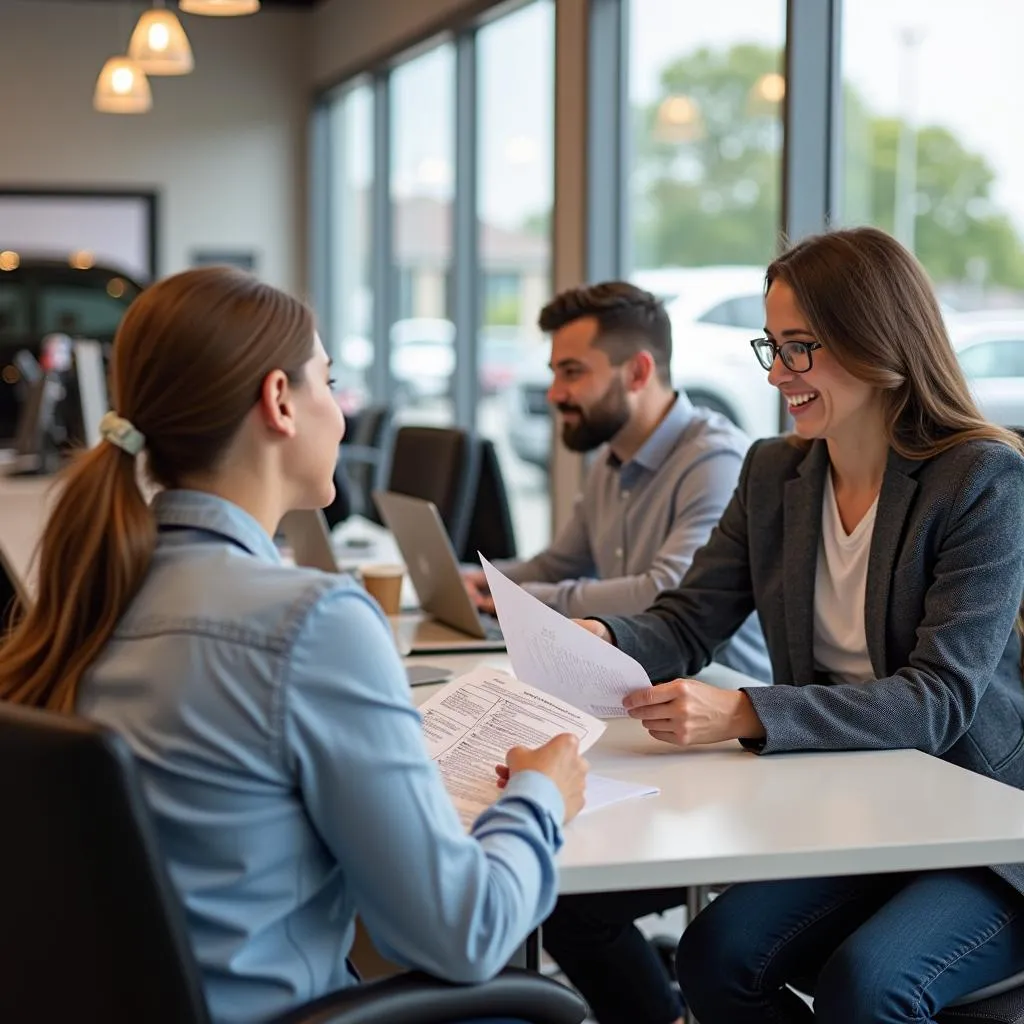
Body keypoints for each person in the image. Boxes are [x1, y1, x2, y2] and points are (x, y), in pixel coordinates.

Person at [0, 267, 590, 1024]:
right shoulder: (311, 622)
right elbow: (462, 933)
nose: (341, 414)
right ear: (280, 401)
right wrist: (541, 796)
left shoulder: (88, 595)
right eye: (328, 382)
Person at [570, 226, 1024, 1024]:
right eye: (771, 347)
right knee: (716, 959)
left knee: (869, 987)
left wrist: (743, 712)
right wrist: (605, 640)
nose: (778, 373)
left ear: (875, 340)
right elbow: (689, 618)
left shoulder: (981, 478)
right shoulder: (775, 471)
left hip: (981, 821)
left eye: (800, 348)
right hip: (853, 798)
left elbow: (938, 699)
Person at [464, 281, 770, 681]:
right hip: (639, 683)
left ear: (638, 372)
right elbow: (558, 563)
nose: (555, 394)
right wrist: (485, 581)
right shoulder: (612, 458)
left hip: (719, 693)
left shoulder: (716, 460)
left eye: (572, 372)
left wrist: (520, 600)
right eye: (554, 374)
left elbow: (664, 592)